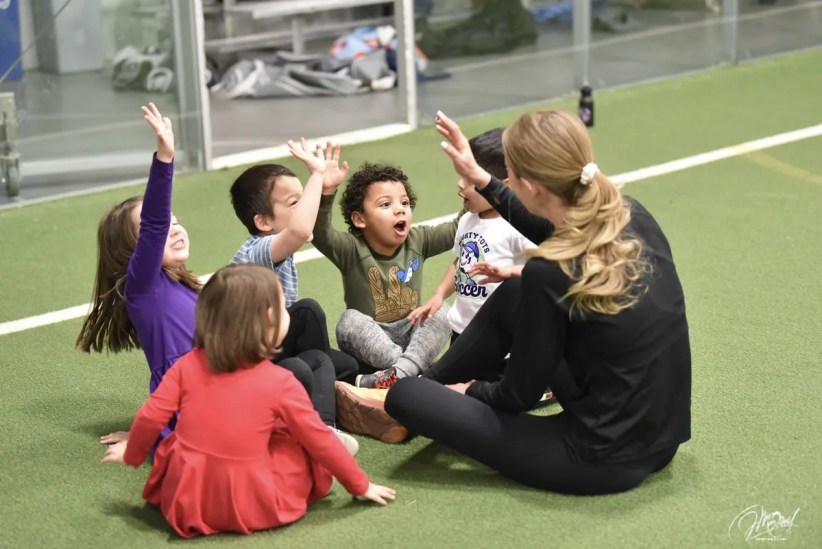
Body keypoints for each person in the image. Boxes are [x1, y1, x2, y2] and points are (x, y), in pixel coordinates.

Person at [385, 110, 691, 495]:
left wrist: (468, 390)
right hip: (662, 441)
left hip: (598, 458)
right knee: (514, 291)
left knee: (406, 397)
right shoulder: (630, 214)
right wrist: (484, 179)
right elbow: (554, 228)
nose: (505, 182)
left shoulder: (549, 272)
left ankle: (422, 388)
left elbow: (515, 396)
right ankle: (431, 384)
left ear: (531, 187)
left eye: (509, 176)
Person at [76, 104, 355, 454]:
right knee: (296, 371)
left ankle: (326, 421)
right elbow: (155, 224)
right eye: (162, 226)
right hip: (204, 403)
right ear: (134, 248)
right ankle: (312, 436)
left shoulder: (188, 287)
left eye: (176, 221)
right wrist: (165, 158)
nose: (173, 227)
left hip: (226, 379)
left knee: (319, 361)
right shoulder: (143, 290)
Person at [101, 264, 396, 538]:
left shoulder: (185, 365)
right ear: (267, 323)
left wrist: (133, 455)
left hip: (189, 497)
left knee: (177, 444)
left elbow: (152, 416)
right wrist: (360, 484)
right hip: (252, 501)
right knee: (297, 444)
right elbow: (318, 437)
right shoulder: (279, 382)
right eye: (282, 308)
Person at [312, 161, 460, 389]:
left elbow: (458, 228)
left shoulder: (418, 239)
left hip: (413, 331)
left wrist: (480, 184)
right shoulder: (350, 249)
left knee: (442, 311)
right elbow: (320, 233)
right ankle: (414, 369)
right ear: (360, 219)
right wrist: (327, 192)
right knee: (348, 321)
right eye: (385, 204)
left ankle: (399, 375)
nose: (400, 209)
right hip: (372, 343)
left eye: (404, 202)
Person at [229, 143, 359, 384]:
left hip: (275, 344)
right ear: (264, 222)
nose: (305, 208)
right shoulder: (257, 251)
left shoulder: (276, 248)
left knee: (348, 366)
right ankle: (323, 414)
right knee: (307, 312)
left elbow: (308, 227)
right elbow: (300, 229)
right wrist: (316, 176)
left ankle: (329, 385)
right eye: (294, 203)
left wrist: (325, 189)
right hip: (252, 359)